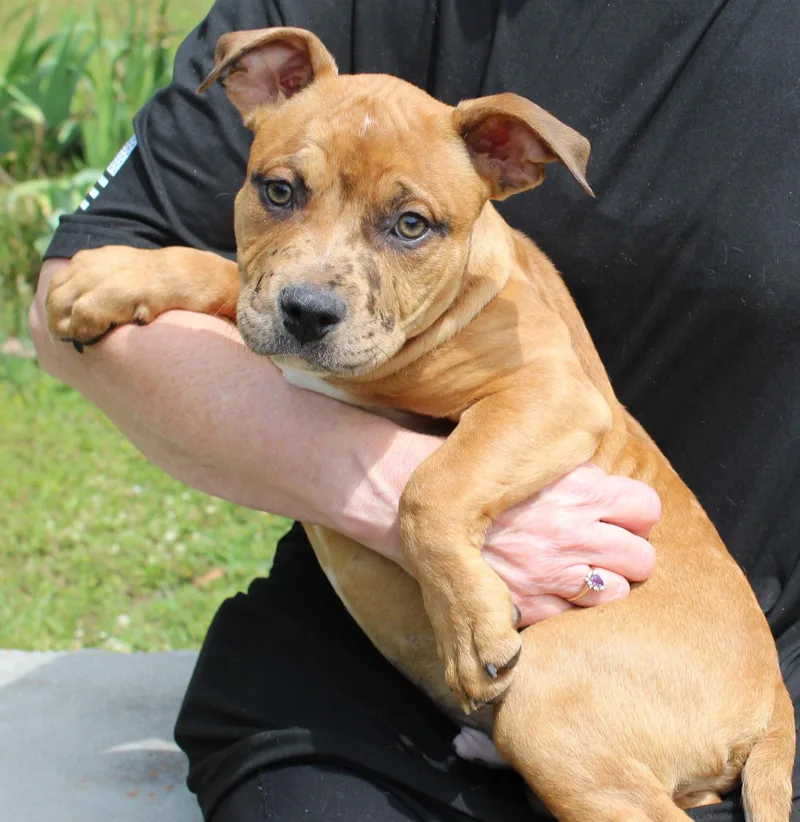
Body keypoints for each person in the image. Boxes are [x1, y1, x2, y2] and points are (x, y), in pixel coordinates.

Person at [27, 1, 800, 820]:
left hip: (647, 646)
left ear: (510, 164)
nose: (314, 282)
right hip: (378, 691)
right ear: (256, 85)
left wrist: (433, 512)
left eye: (406, 225)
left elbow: (567, 406)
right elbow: (74, 307)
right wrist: (191, 277)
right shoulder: (317, 63)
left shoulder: (493, 311)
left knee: (561, 730)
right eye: (283, 193)